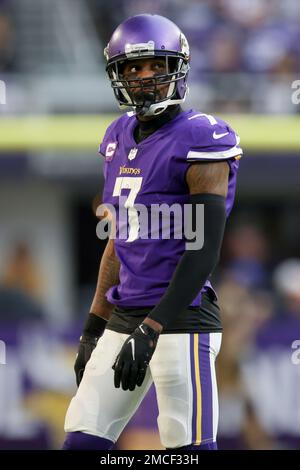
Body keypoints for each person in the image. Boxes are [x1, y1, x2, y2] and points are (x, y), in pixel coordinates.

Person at [63, 13, 243, 451]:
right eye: (132, 68)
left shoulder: (202, 136)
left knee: (188, 451)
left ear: (176, 69)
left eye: (155, 66)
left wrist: (153, 328)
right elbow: (118, 241)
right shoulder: (117, 135)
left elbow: (203, 250)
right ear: (117, 75)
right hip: (124, 316)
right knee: (81, 441)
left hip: (181, 318)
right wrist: (93, 325)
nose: (144, 77)